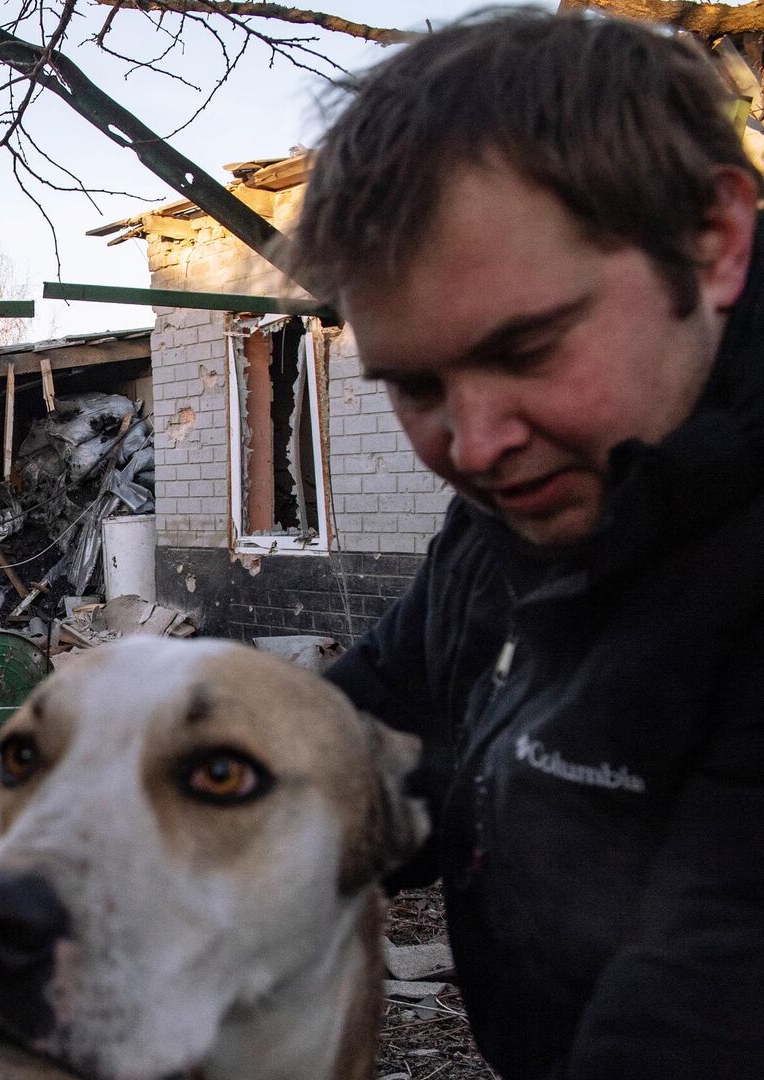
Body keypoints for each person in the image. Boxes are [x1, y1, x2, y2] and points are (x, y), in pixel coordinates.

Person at [298, 10, 764, 1078]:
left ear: (714, 238)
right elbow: (369, 738)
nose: (476, 445)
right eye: (417, 386)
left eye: (529, 348)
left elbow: (701, 1013)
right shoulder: (534, 501)